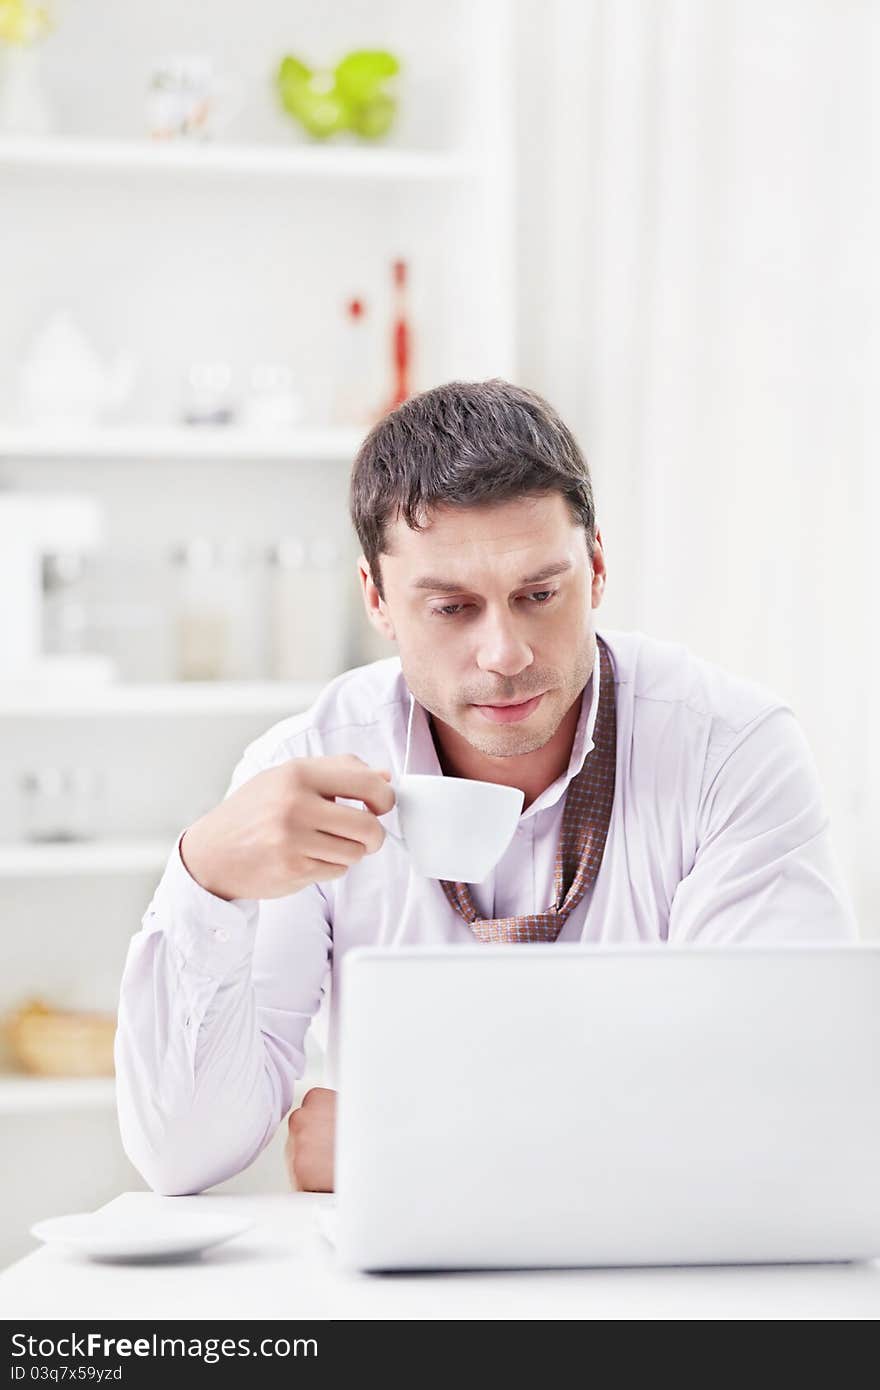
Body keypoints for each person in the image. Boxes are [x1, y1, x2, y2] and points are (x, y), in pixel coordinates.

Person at [115, 378, 857, 1197]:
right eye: (452, 608)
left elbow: (785, 1105)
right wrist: (206, 880)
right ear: (377, 599)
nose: (504, 653)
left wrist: (401, 1146)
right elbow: (184, 1155)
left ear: (598, 566)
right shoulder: (302, 772)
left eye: (540, 595)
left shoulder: (730, 751)